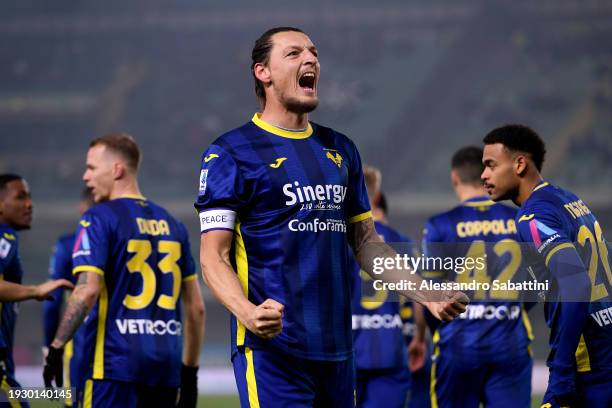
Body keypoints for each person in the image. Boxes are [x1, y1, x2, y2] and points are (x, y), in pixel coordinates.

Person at [196, 26, 467, 407]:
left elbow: (366, 243)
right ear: (263, 72)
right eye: (293, 54)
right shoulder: (231, 152)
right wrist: (248, 313)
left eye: (313, 53)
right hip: (273, 353)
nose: (310, 60)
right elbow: (213, 257)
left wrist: (428, 294)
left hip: (339, 353)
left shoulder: (340, 149)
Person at [42, 135, 206, 408]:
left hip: (113, 369)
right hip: (166, 372)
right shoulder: (174, 225)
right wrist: (189, 375)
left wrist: (56, 348)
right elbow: (196, 309)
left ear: (117, 169)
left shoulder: (98, 218)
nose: (85, 176)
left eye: (92, 167)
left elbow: (87, 290)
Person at [481, 124, 612, 408]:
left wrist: (562, 371)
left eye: (491, 165)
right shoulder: (568, 199)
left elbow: (576, 283)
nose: (484, 175)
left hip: (587, 370)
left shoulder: (533, 216)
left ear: (519, 164)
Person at [410, 146, 534, 408]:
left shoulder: (440, 225)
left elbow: (426, 293)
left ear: (455, 177)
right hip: (509, 343)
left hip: (457, 346)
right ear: (486, 175)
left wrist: (423, 337)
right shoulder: (518, 219)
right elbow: (536, 286)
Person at [0, 174, 73, 407]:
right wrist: (35, 290)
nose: (29, 204)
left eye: (29, 196)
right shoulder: (5, 237)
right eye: (20, 197)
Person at [351, 165, 413, 408]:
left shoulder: (338, 241)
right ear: (377, 196)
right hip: (390, 349)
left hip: (346, 351)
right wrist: (417, 338)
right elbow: (414, 299)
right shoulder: (402, 241)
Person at [42, 187, 94, 407]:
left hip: (80, 342)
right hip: (124, 344)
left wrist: (50, 346)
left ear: (82, 209)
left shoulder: (68, 245)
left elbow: (51, 304)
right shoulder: (127, 241)